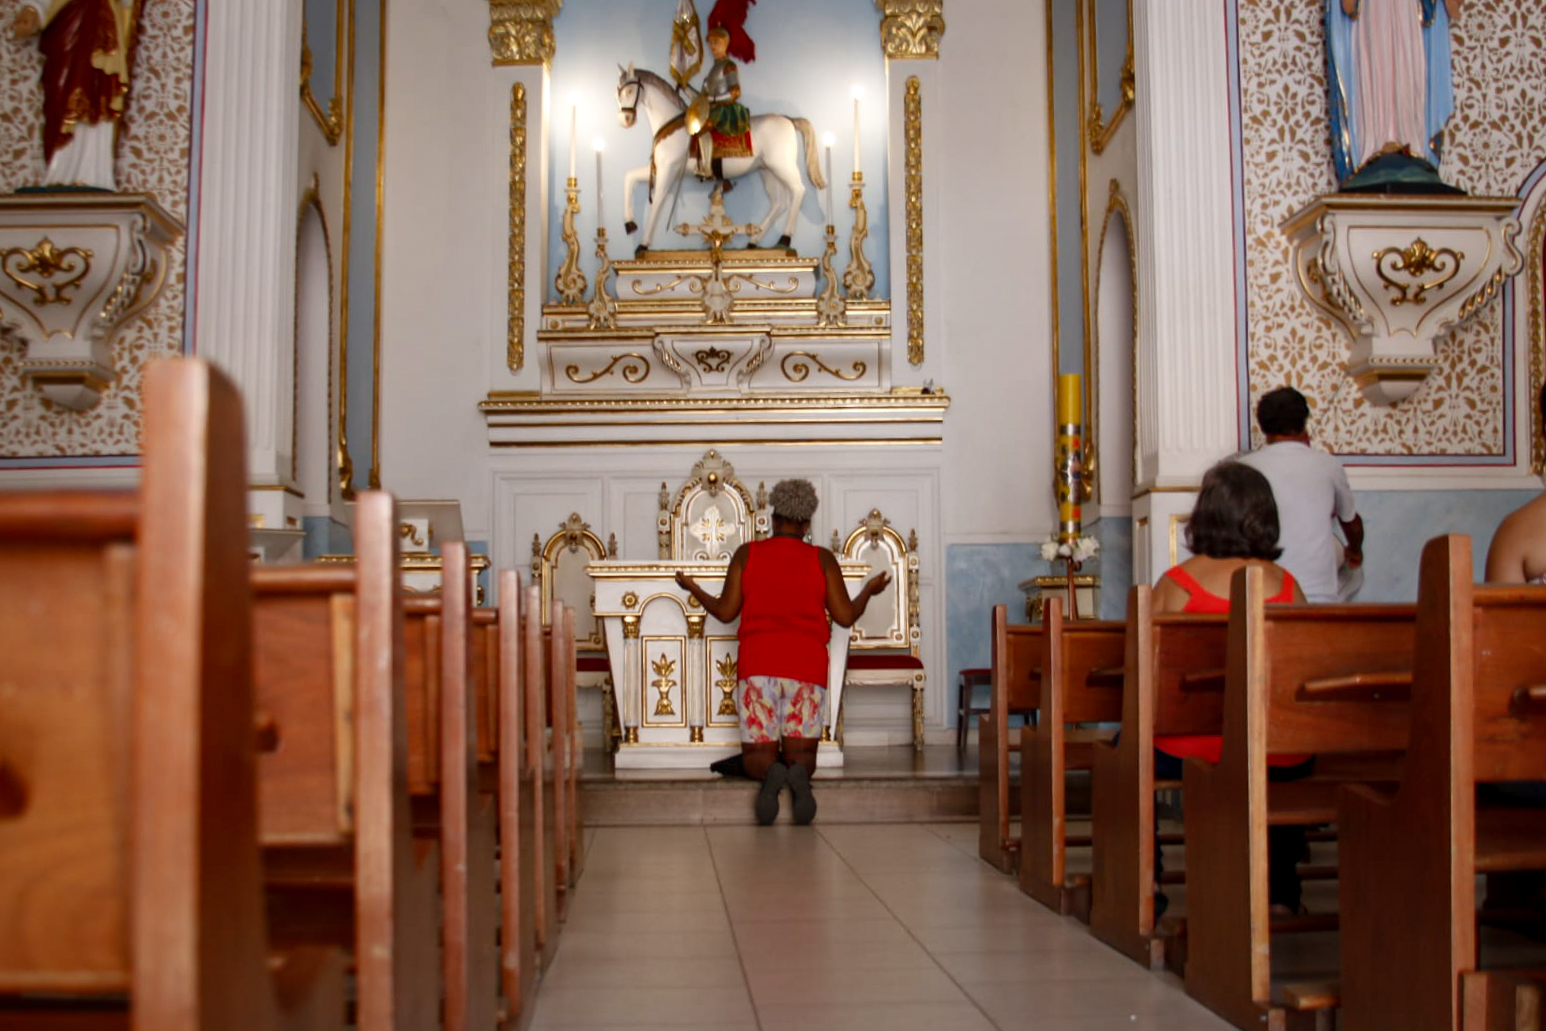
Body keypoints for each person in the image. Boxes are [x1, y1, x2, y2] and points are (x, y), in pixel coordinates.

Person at [675, 479, 889, 826]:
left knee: (756, 754)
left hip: (759, 664)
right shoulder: (822, 559)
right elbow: (845, 616)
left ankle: (771, 772)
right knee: (803, 754)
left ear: (773, 519)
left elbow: (727, 612)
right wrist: (868, 590)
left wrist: (693, 588)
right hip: (805, 667)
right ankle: (798, 778)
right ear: (806, 524)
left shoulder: (748, 553)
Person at [1153, 460, 1311, 916]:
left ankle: (1149, 884)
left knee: (1127, 753)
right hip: (1273, 747)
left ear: (1206, 515)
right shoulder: (1287, 587)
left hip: (1196, 748)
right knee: (1275, 758)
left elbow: (1147, 674)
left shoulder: (1176, 587)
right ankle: (1280, 892)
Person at [1238, 386, 1364, 603]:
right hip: (1319, 593)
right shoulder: (1328, 464)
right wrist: (1355, 551)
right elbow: (1350, 522)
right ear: (1305, 421)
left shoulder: (1243, 468)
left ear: (1263, 426)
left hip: (1264, 591)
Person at [1325, 0, 1461, 185]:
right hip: (1372, 8)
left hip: (1407, 8)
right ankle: (1375, 145)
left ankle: (1410, 143)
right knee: (1376, 59)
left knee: (1406, 62)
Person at [12, 0, 140, 191]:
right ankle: (58, 169)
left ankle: (94, 172)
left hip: (100, 26)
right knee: (59, 92)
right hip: (66, 24)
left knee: (97, 94)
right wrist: (32, 11)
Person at [687, 25, 752, 192]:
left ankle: (707, 168)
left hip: (725, 109)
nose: (713, 47)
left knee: (702, 129)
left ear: (725, 44)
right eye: (711, 44)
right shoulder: (713, 69)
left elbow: (735, 92)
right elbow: (704, 95)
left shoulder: (728, 66)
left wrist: (714, 99)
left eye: (716, 43)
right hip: (712, 107)